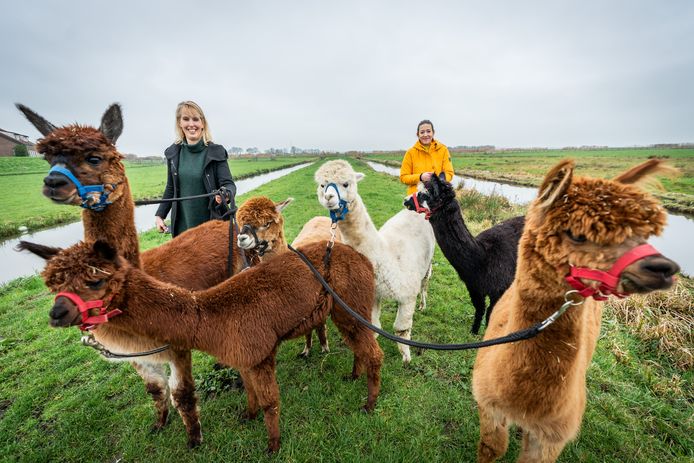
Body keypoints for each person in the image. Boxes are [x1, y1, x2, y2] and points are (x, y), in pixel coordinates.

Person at [155, 101, 236, 237]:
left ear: (202, 123)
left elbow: (229, 184)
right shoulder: (173, 153)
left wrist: (225, 194)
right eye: (186, 119)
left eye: (196, 119)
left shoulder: (216, 152)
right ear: (180, 124)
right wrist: (160, 215)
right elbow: (171, 188)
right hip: (182, 229)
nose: (191, 124)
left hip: (212, 227)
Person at [399, 119, 454, 195]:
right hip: (417, 198)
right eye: (422, 132)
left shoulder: (443, 150)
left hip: (437, 198)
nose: (425, 135)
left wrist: (438, 182)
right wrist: (420, 177)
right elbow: (403, 177)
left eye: (428, 131)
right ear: (417, 134)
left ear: (433, 132)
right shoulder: (410, 153)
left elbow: (449, 173)